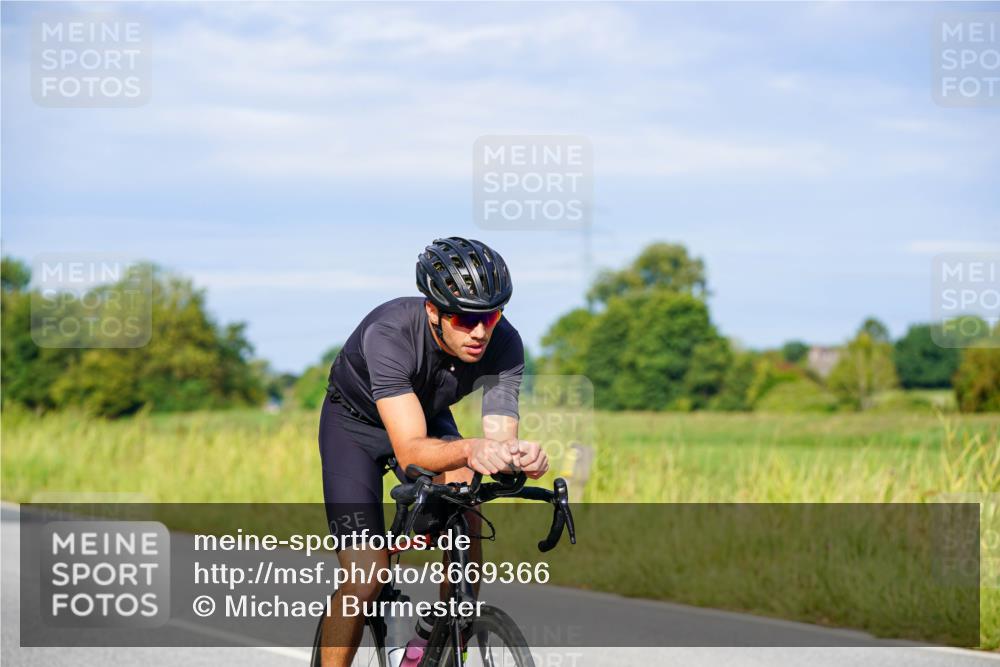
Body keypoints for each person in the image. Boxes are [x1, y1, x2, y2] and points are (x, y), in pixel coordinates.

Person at [318, 236, 549, 666]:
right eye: (464, 318)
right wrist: (473, 448)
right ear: (433, 311)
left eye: (491, 315)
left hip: (425, 415)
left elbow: (498, 440)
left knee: (466, 496)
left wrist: (520, 459)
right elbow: (411, 452)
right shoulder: (389, 333)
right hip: (355, 427)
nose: (480, 332)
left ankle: (442, 636)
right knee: (366, 578)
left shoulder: (505, 344)